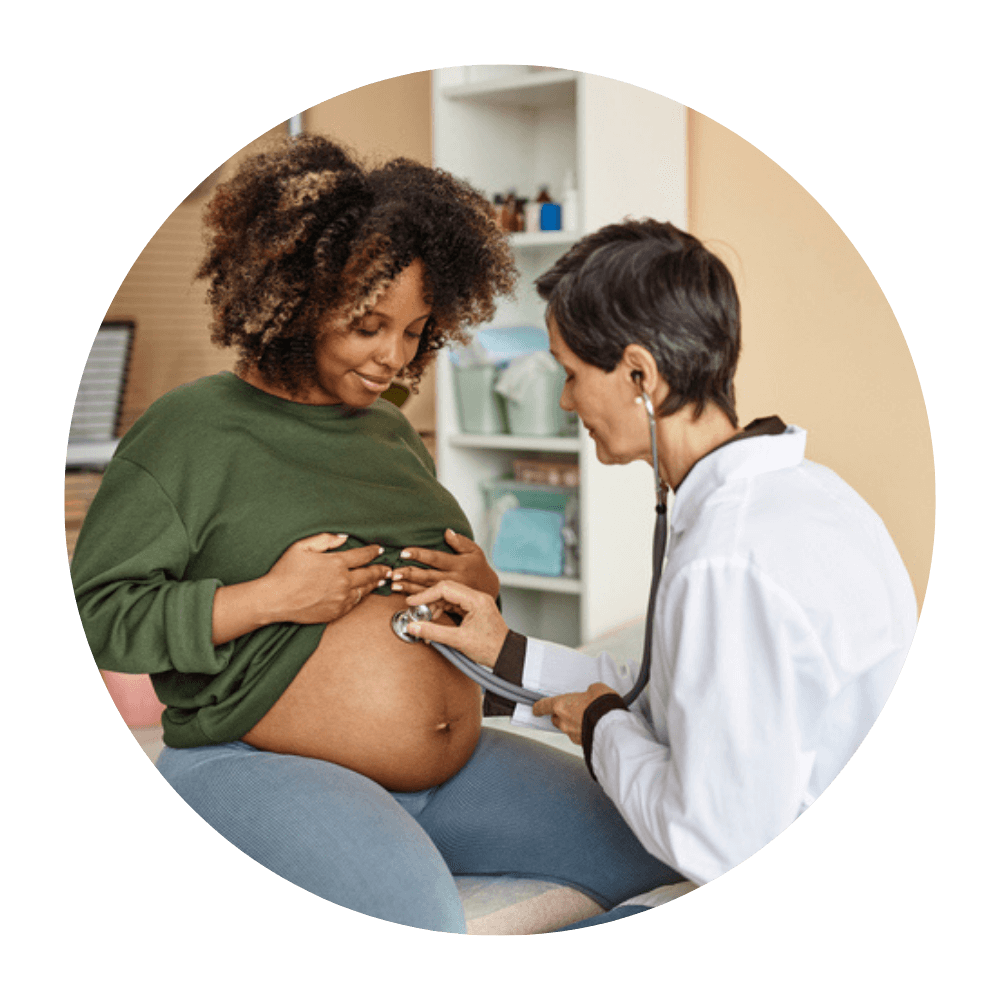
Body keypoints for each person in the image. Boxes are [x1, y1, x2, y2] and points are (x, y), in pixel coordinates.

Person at [72, 135, 681, 933]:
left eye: (416, 330)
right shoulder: (190, 432)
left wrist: (480, 585)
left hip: (454, 770)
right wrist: (265, 599)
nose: (394, 359)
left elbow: (439, 595)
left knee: (669, 855)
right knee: (421, 916)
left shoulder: (387, 432)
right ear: (294, 297)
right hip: (262, 766)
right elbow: (100, 615)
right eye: (369, 324)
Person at [404, 217, 919, 891]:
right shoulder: (810, 494)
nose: (565, 402)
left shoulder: (727, 561)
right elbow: (673, 694)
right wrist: (504, 650)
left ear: (639, 374)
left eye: (570, 373)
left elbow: (713, 840)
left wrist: (600, 731)